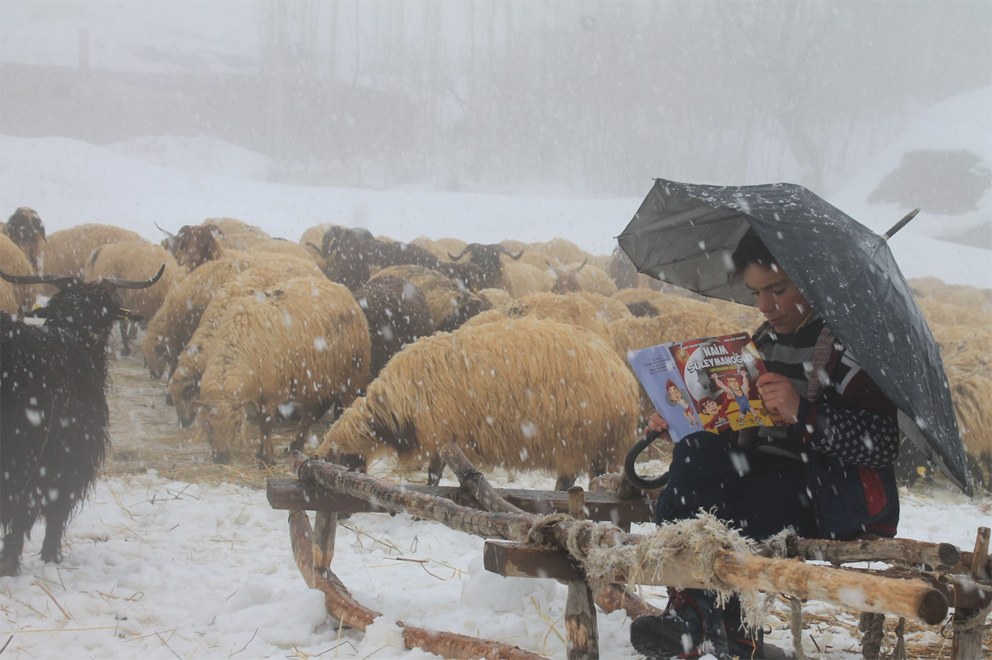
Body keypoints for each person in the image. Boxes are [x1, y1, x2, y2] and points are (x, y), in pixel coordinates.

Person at [629, 228, 901, 660]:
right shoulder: (764, 343)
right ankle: (693, 612)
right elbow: (737, 422)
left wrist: (804, 414)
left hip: (821, 493)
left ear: (811, 283)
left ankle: (712, 624)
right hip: (757, 468)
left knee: (739, 510)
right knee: (695, 457)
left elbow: (883, 444)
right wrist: (684, 423)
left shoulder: (850, 353)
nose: (766, 306)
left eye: (777, 290)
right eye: (756, 293)